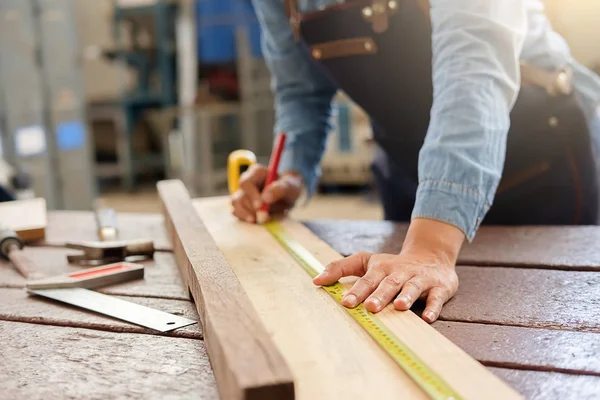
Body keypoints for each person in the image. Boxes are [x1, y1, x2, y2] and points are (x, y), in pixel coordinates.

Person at [231, 0, 600, 323]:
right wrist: (290, 174)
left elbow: (474, 75)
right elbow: (300, 91)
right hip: (411, 174)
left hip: (538, 163)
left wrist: (431, 249)